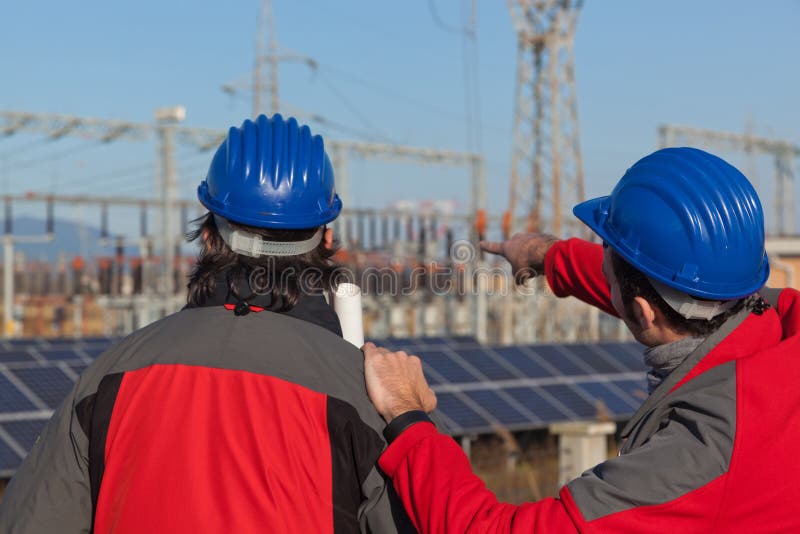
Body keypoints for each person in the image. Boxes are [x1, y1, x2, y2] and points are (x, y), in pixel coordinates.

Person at [0, 114, 413, 533]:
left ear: (208, 235)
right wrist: (409, 417)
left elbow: (31, 522)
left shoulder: (109, 376)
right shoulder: (369, 397)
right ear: (326, 239)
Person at [363, 147, 800, 533]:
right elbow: (662, 294)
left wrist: (407, 416)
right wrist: (550, 256)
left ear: (641, 312)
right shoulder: (781, 322)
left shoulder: (696, 456)